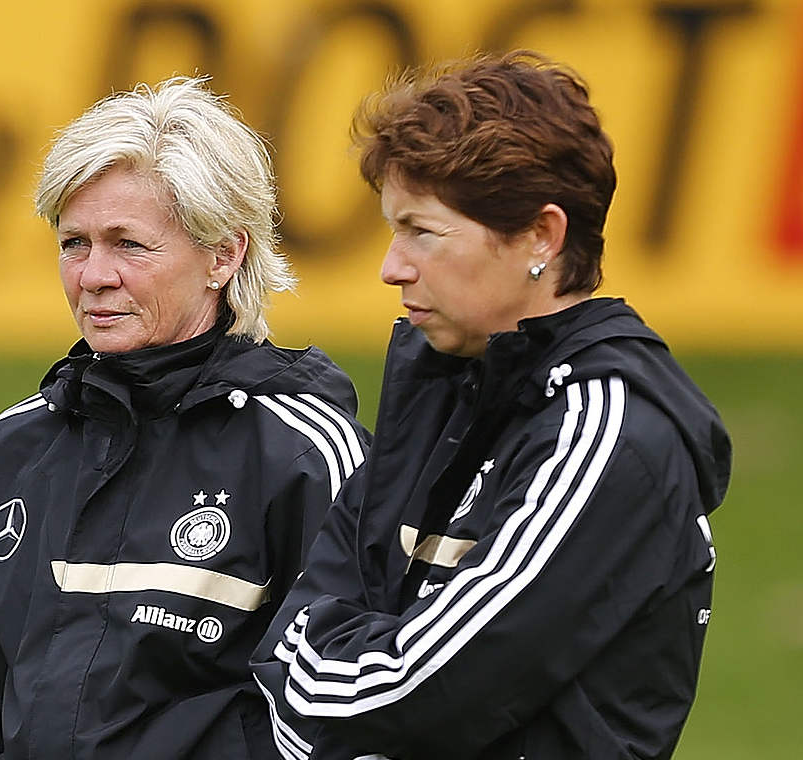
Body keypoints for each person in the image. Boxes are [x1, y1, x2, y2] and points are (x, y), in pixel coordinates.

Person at [251, 51, 732, 760]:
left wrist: (316, 677)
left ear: (541, 235)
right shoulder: (443, 388)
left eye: (422, 231)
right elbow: (295, 641)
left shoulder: (606, 436)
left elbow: (411, 693)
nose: (392, 267)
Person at [0, 77, 370, 759]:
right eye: (74, 243)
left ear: (224, 255)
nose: (93, 275)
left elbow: (347, 721)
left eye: (129, 244)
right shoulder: (4, 454)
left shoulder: (303, 456)